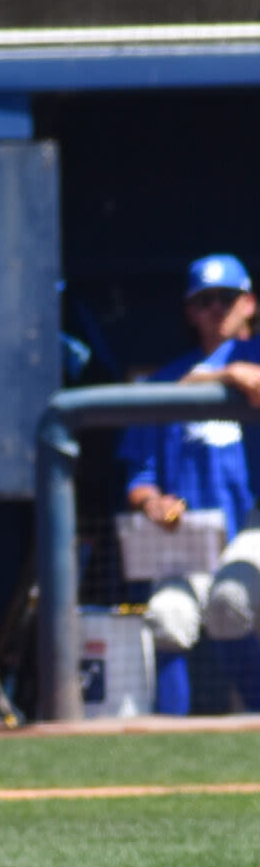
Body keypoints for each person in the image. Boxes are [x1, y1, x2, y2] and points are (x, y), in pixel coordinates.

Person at [118, 254, 260, 715]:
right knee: (167, 616)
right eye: (204, 300)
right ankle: (173, 740)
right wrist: (152, 502)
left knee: (231, 601)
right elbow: (138, 476)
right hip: (192, 536)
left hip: (252, 528)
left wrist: (228, 372)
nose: (216, 308)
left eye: (227, 298)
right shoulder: (166, 380)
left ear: (249, 303)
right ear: (190, 312)